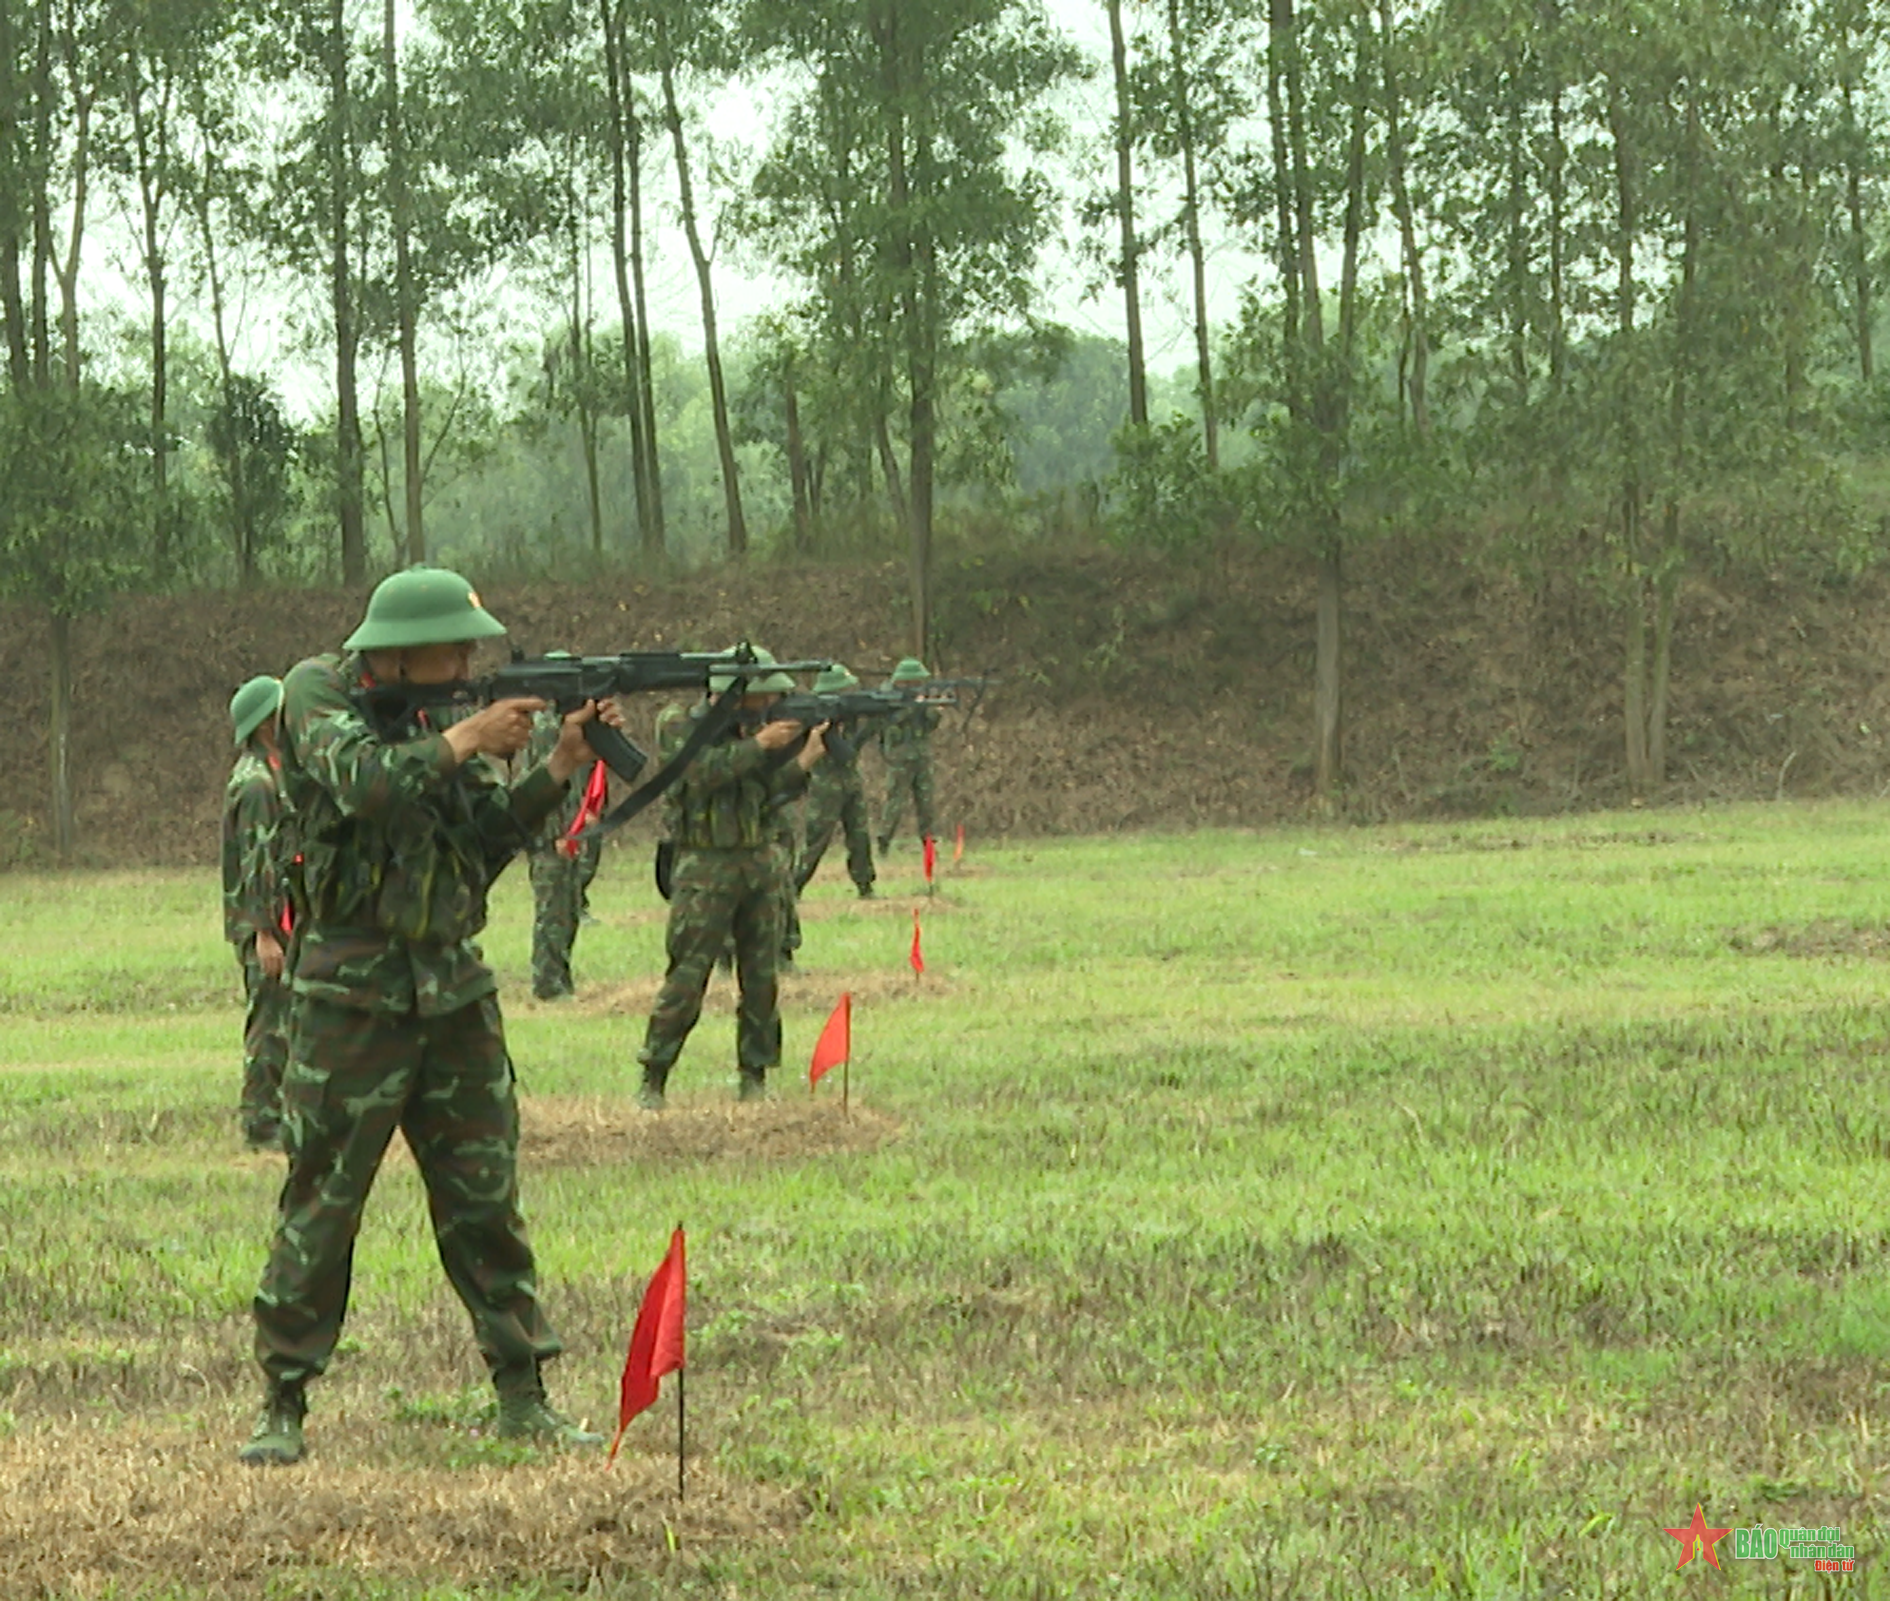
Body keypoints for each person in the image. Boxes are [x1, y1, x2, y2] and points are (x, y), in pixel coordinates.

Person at [239, 566, 617, 1468]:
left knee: (485, 1201)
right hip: (349, 1001)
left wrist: (559, 763)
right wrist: (463, 737)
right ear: (399, 652)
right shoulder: (315, 691)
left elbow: (486, 839)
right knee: (322, 1204)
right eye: (454, 646)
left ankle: (524, 1393)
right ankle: (282, 1401)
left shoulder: (431, 723)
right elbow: (364, 784)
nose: (467, 660)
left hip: (452, 993)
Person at [636, 648, 826, 1111]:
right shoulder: (680, 723)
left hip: (759, 863)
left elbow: (768, 791)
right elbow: (696, 774)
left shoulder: (751, 731)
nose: (774, 700)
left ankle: (754, 1073)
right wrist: (759, 744)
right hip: (704, 865)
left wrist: (805, 758)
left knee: (761, 978)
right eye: (765, 692)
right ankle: (654, 1073)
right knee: (687, 975)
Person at [222, 675, 292, 1150]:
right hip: (265, 925)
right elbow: (258, 861)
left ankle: (280, 1115)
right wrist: (265, 934)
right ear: (268, 722)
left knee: (286, 1020)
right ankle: (261, 1123)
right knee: (269, 1023)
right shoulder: (257, 785)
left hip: (278, 920)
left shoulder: (271, 772)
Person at [520, 656, 607, 1001]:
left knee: (568, 908)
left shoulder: (569, 725)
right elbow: (545, 783)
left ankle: (561, 979)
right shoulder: (545, 727)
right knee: (551, 912)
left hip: (571, 830)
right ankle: (546, 985)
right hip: (549, 836)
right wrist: (557, 832)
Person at [794, 663, 877, 901]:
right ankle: (794, 885)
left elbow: (852, 749)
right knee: (816, 839)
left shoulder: (846, 717)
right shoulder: (816, 714)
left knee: (859, 835)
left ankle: (865, 884)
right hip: (825, 783)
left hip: (850, 779)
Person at [876, 656, 941, 853]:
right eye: (913, 682)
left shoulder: (918, 697)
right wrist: (912, 706)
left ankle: (929, 843)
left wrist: (932, 710)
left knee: (926, 802)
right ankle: (883, 841)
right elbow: (891, 723)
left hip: (921, 756)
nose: (918, 685)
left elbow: (929, 726)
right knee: (895, 802)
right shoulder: (887, 697)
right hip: (900, 758)